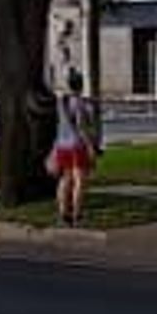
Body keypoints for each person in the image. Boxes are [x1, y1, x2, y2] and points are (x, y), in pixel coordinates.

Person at [49, 69, 97, 227]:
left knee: (64, 180)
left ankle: (63, 214)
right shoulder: (79, 103)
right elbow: (82, 128)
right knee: (79, 182)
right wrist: (90, 147)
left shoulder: (61, 102)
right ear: (81, 85)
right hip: (77, 147)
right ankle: (77, 215)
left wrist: (54, 150)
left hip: (62, 146)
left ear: (69, 84)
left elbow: (58, 127)